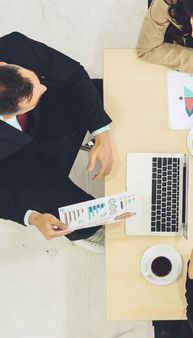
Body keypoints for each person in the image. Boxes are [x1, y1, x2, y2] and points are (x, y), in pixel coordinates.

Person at [0, 32, 116, 254]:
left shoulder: (14, 46)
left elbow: (72, 73)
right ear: (7, 116)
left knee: (102, 94)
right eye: (33, 96)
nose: (43, 87)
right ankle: (86, 233)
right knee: (74, 214)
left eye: (35, 79)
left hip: (45, 117)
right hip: (12, 165)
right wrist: (31, 217)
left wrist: (102, 132)